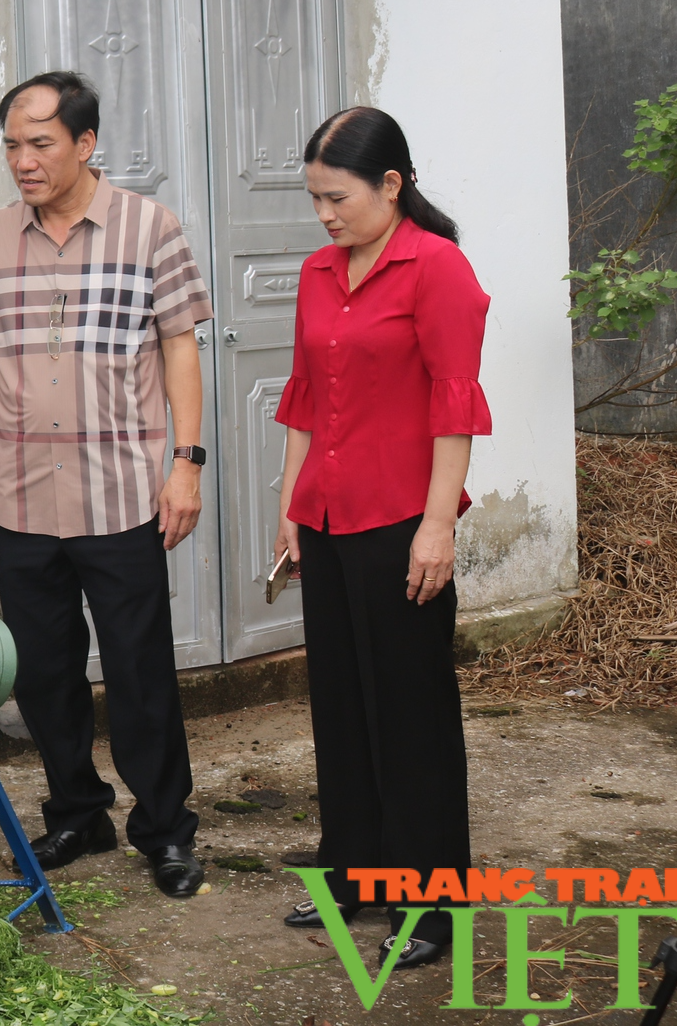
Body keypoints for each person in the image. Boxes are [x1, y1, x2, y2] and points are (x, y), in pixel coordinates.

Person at [0, 70, 211, 900]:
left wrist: (186, 463)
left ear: (85, 144)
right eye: (13, 145)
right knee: (43, 671)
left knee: (139, 670)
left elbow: (179, 347)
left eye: (41, 144)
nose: (23, 160)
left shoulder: (149, 228)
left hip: (121, 490)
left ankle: (164, 829)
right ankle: (77, 809)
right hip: (20, 490)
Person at [271, 107, 489, 970]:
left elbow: (455, 404)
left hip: (402, 521)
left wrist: (438, 525)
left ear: (391, 184)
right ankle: (354, 874)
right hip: (326, 517)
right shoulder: (320, 270)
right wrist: (288, 504)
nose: (325, 215)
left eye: (339, 197)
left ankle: (435, 904)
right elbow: (300, 395)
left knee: (412, 714)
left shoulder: (437, 269)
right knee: (341, 703)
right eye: (316, 199)